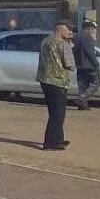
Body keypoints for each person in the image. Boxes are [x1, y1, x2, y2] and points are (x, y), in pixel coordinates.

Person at [37, 20, 76, 150]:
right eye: (68, 29)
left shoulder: (46, 41)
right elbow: (70, 65)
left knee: (53, 112)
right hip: (58, 81)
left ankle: (58, 139)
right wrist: (70, 47)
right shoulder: (63, 44)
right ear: (59, 29)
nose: (70, 32)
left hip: (45, 80)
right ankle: (50, 143)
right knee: (58, 114)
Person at [73, 18, 100, 110]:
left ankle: (82, 105)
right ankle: (82, 99)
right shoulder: (88, 38)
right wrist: (96, 63)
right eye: (93, 29)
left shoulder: (76, 37)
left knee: (82, 85)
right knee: (96, 83)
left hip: (79, 65)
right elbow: (90, 52)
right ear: (88, 28)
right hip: (90, 66)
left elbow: (73, 50)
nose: (93, 31)